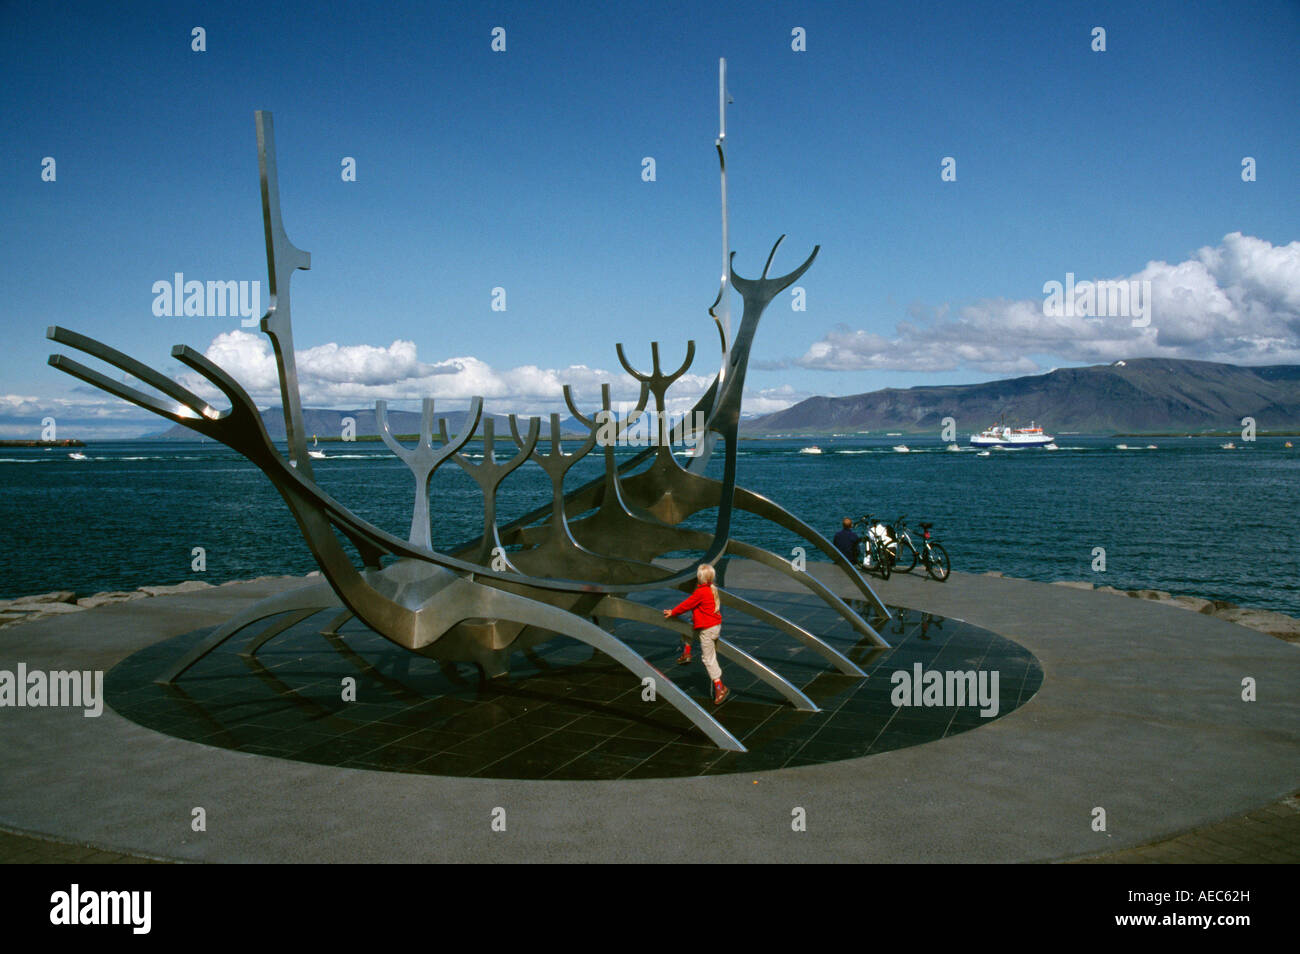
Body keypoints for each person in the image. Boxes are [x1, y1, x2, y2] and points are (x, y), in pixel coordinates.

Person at [663, 564, 728, 705]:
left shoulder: (701, 592)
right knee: (687, 628)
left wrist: (673, 612)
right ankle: (686, 653)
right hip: (714, 626)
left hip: (707, 630)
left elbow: (687, 604)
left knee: (708, 659)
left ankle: (720, 687)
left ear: (699, 578)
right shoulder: (711, 589)